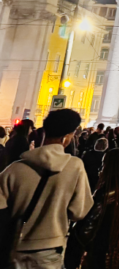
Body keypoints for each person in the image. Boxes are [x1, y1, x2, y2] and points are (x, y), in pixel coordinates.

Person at [0, 109, 93, 268]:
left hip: (13, 248)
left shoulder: (14, 169)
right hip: (50, 249)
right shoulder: (74, 167)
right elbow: (79, 211)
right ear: (66, 138)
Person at [64, 148, 119, 269]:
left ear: (112, 167)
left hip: (101, 255)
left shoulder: (108, 193)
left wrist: (72, 258)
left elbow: (85, 230)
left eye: (104, 165)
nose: (100, 169)